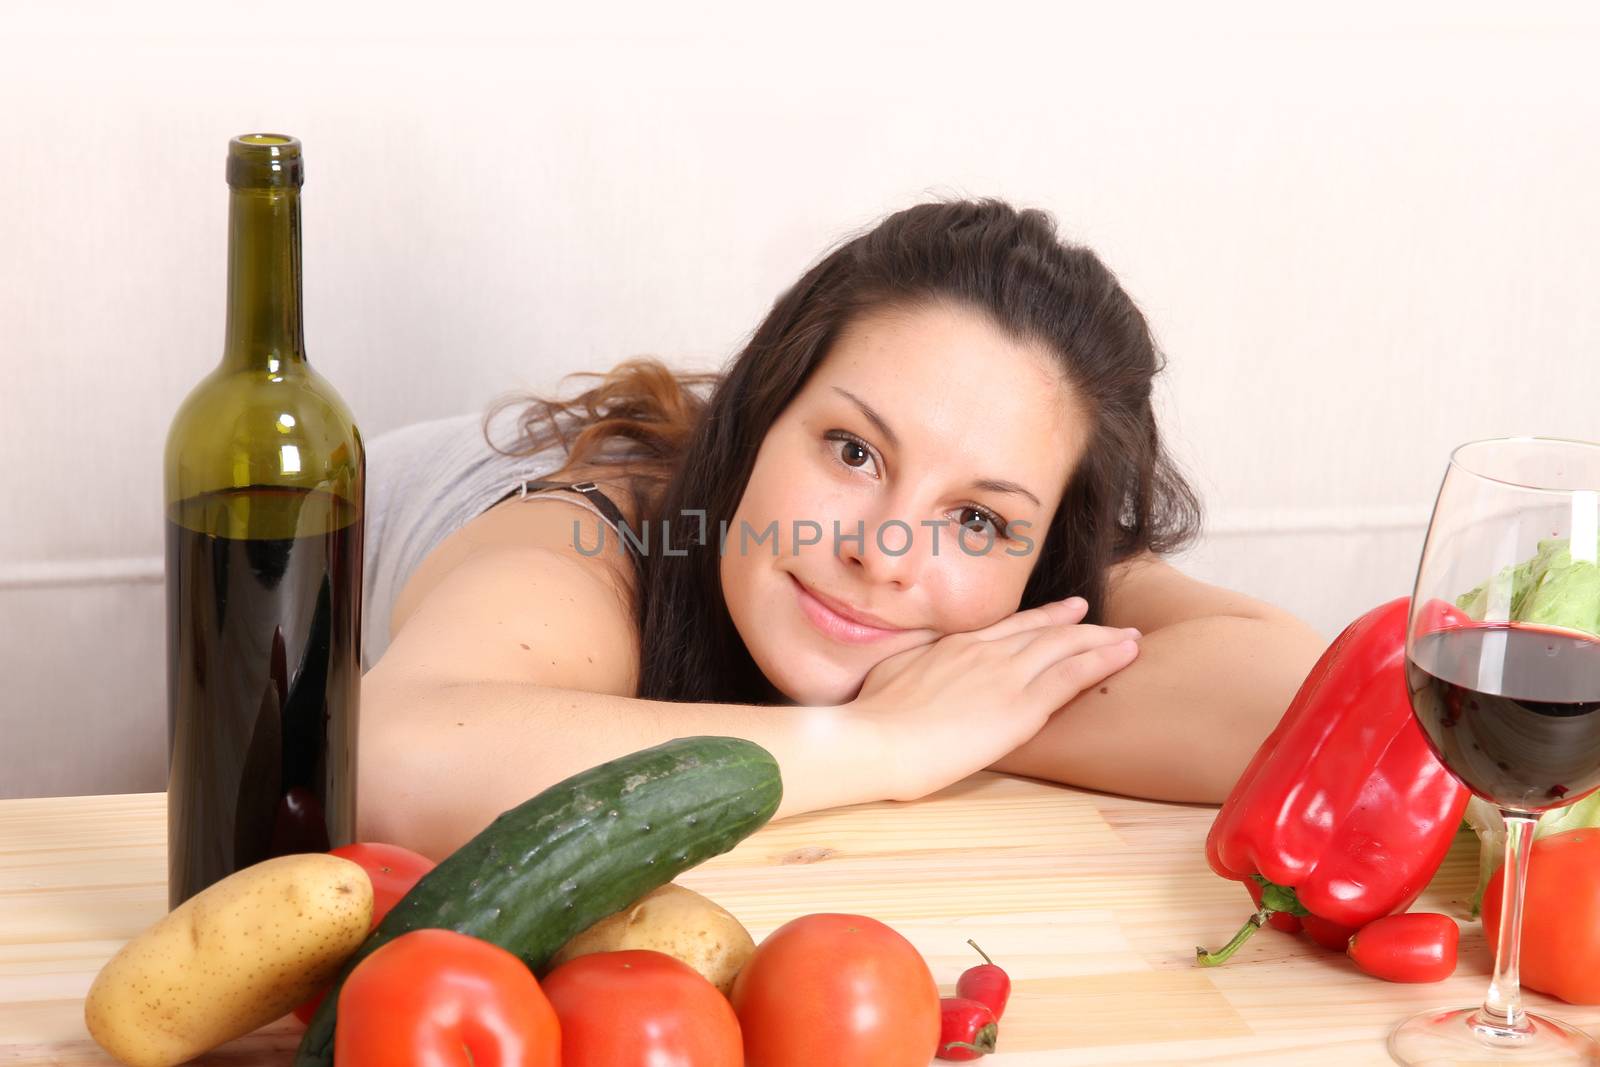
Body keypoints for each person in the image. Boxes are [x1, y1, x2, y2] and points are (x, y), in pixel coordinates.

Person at [357, 198, 1328, 860]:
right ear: (757, 416)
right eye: (853, 452)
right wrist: (891, 737)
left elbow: (1305, 704)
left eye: (978, 517)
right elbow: (387, 762)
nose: (884, 549)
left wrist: (969, 698)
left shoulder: (1014, 582)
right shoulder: (593, 534)